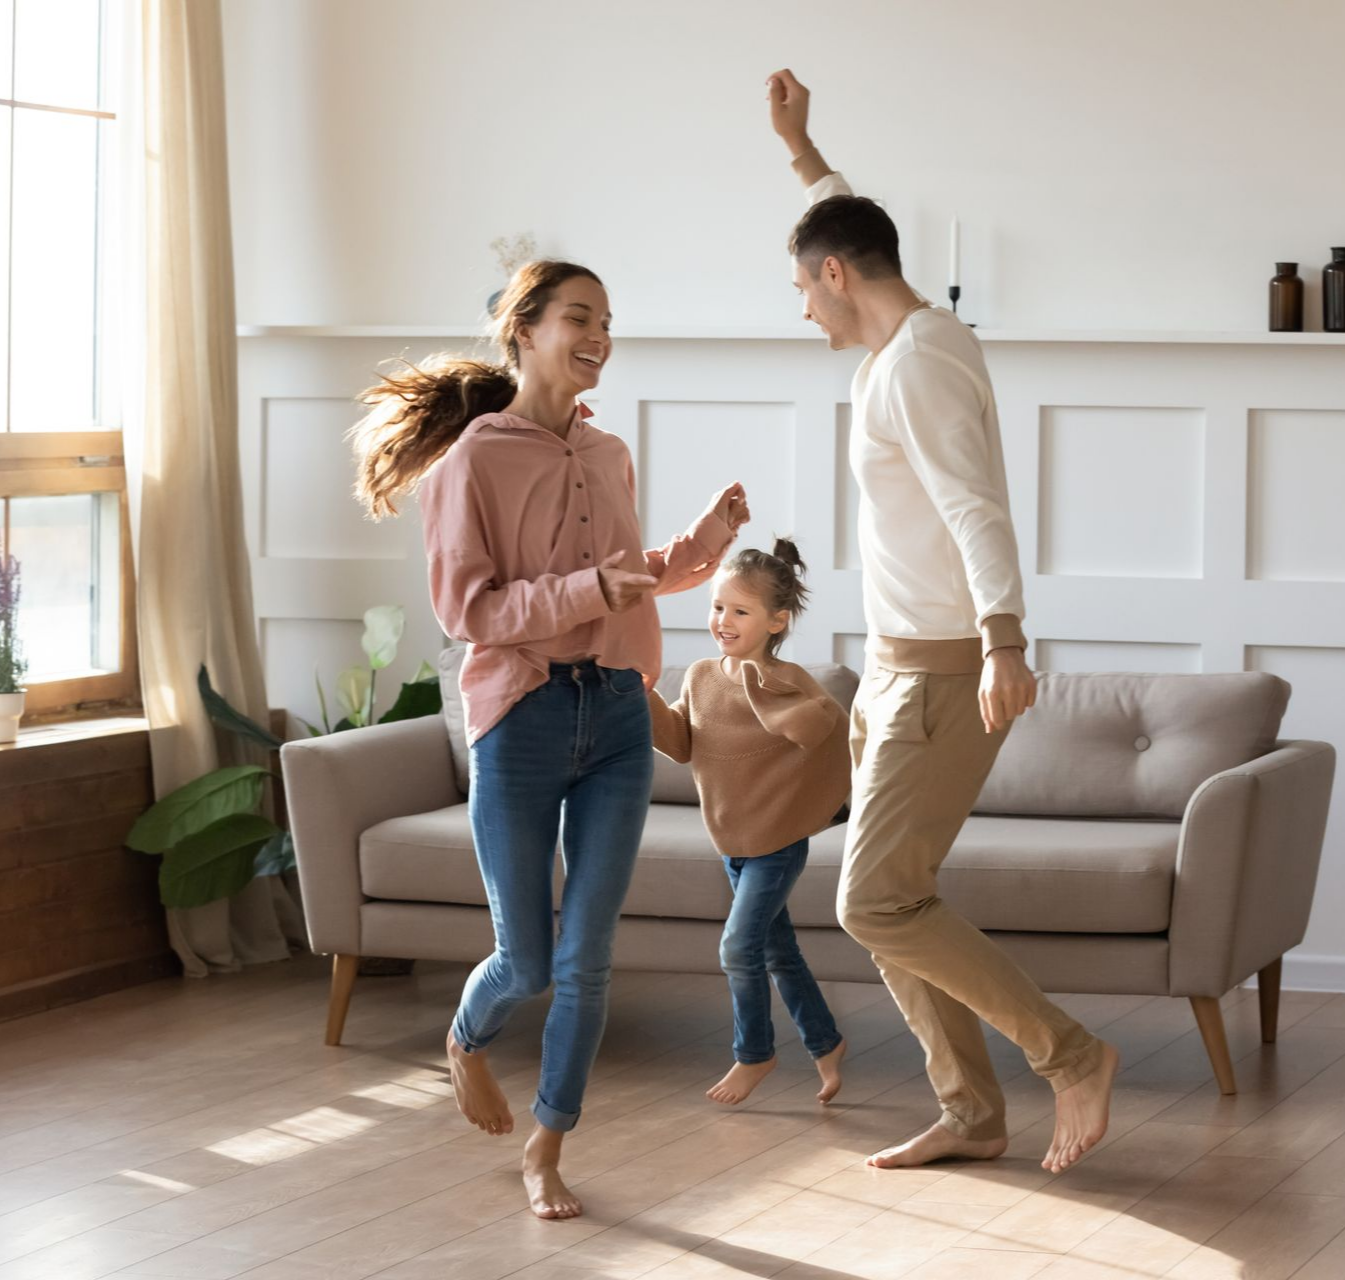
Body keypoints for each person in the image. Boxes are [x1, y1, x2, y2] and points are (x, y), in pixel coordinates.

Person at [764, 69, 1119, 1175]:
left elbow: (976, 509)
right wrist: (802, 150)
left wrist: (1006, 641)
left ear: (834, 277)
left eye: (802, 288)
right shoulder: (909, 337)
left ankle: (1069, 1055)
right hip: (894, 670)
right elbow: (850, 221)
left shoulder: (915, 365)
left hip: (943, 673)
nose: (801, 307)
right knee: (891, 899)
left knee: (873, 895)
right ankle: (969, 1110)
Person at [350, 260, 749, 1219]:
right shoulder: (473, 462)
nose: (599, 333)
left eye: (608, 319)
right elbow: (466, 611)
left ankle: (547, 1147)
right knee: (524, 961)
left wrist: (695, 548)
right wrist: (586, 592)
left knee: (585, 962)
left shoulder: (608, 455)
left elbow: (622, 575)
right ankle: (464, 1039)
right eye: (580, 317)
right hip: (520, 721)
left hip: (613, 713)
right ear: (522, 329)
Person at [649, 540, 852, 1108]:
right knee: (776, 951)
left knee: (738, 948)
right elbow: (682, 743)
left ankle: (753, 1052)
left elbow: (818, 729)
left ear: (777, 620)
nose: (723, 621)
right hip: (730, 840)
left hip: (776, 842)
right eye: (718, 607)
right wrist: (642, 699)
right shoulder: (699, 675)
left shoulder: (788, 680)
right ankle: (827, 1043)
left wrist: (761, 690)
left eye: (740, 611)